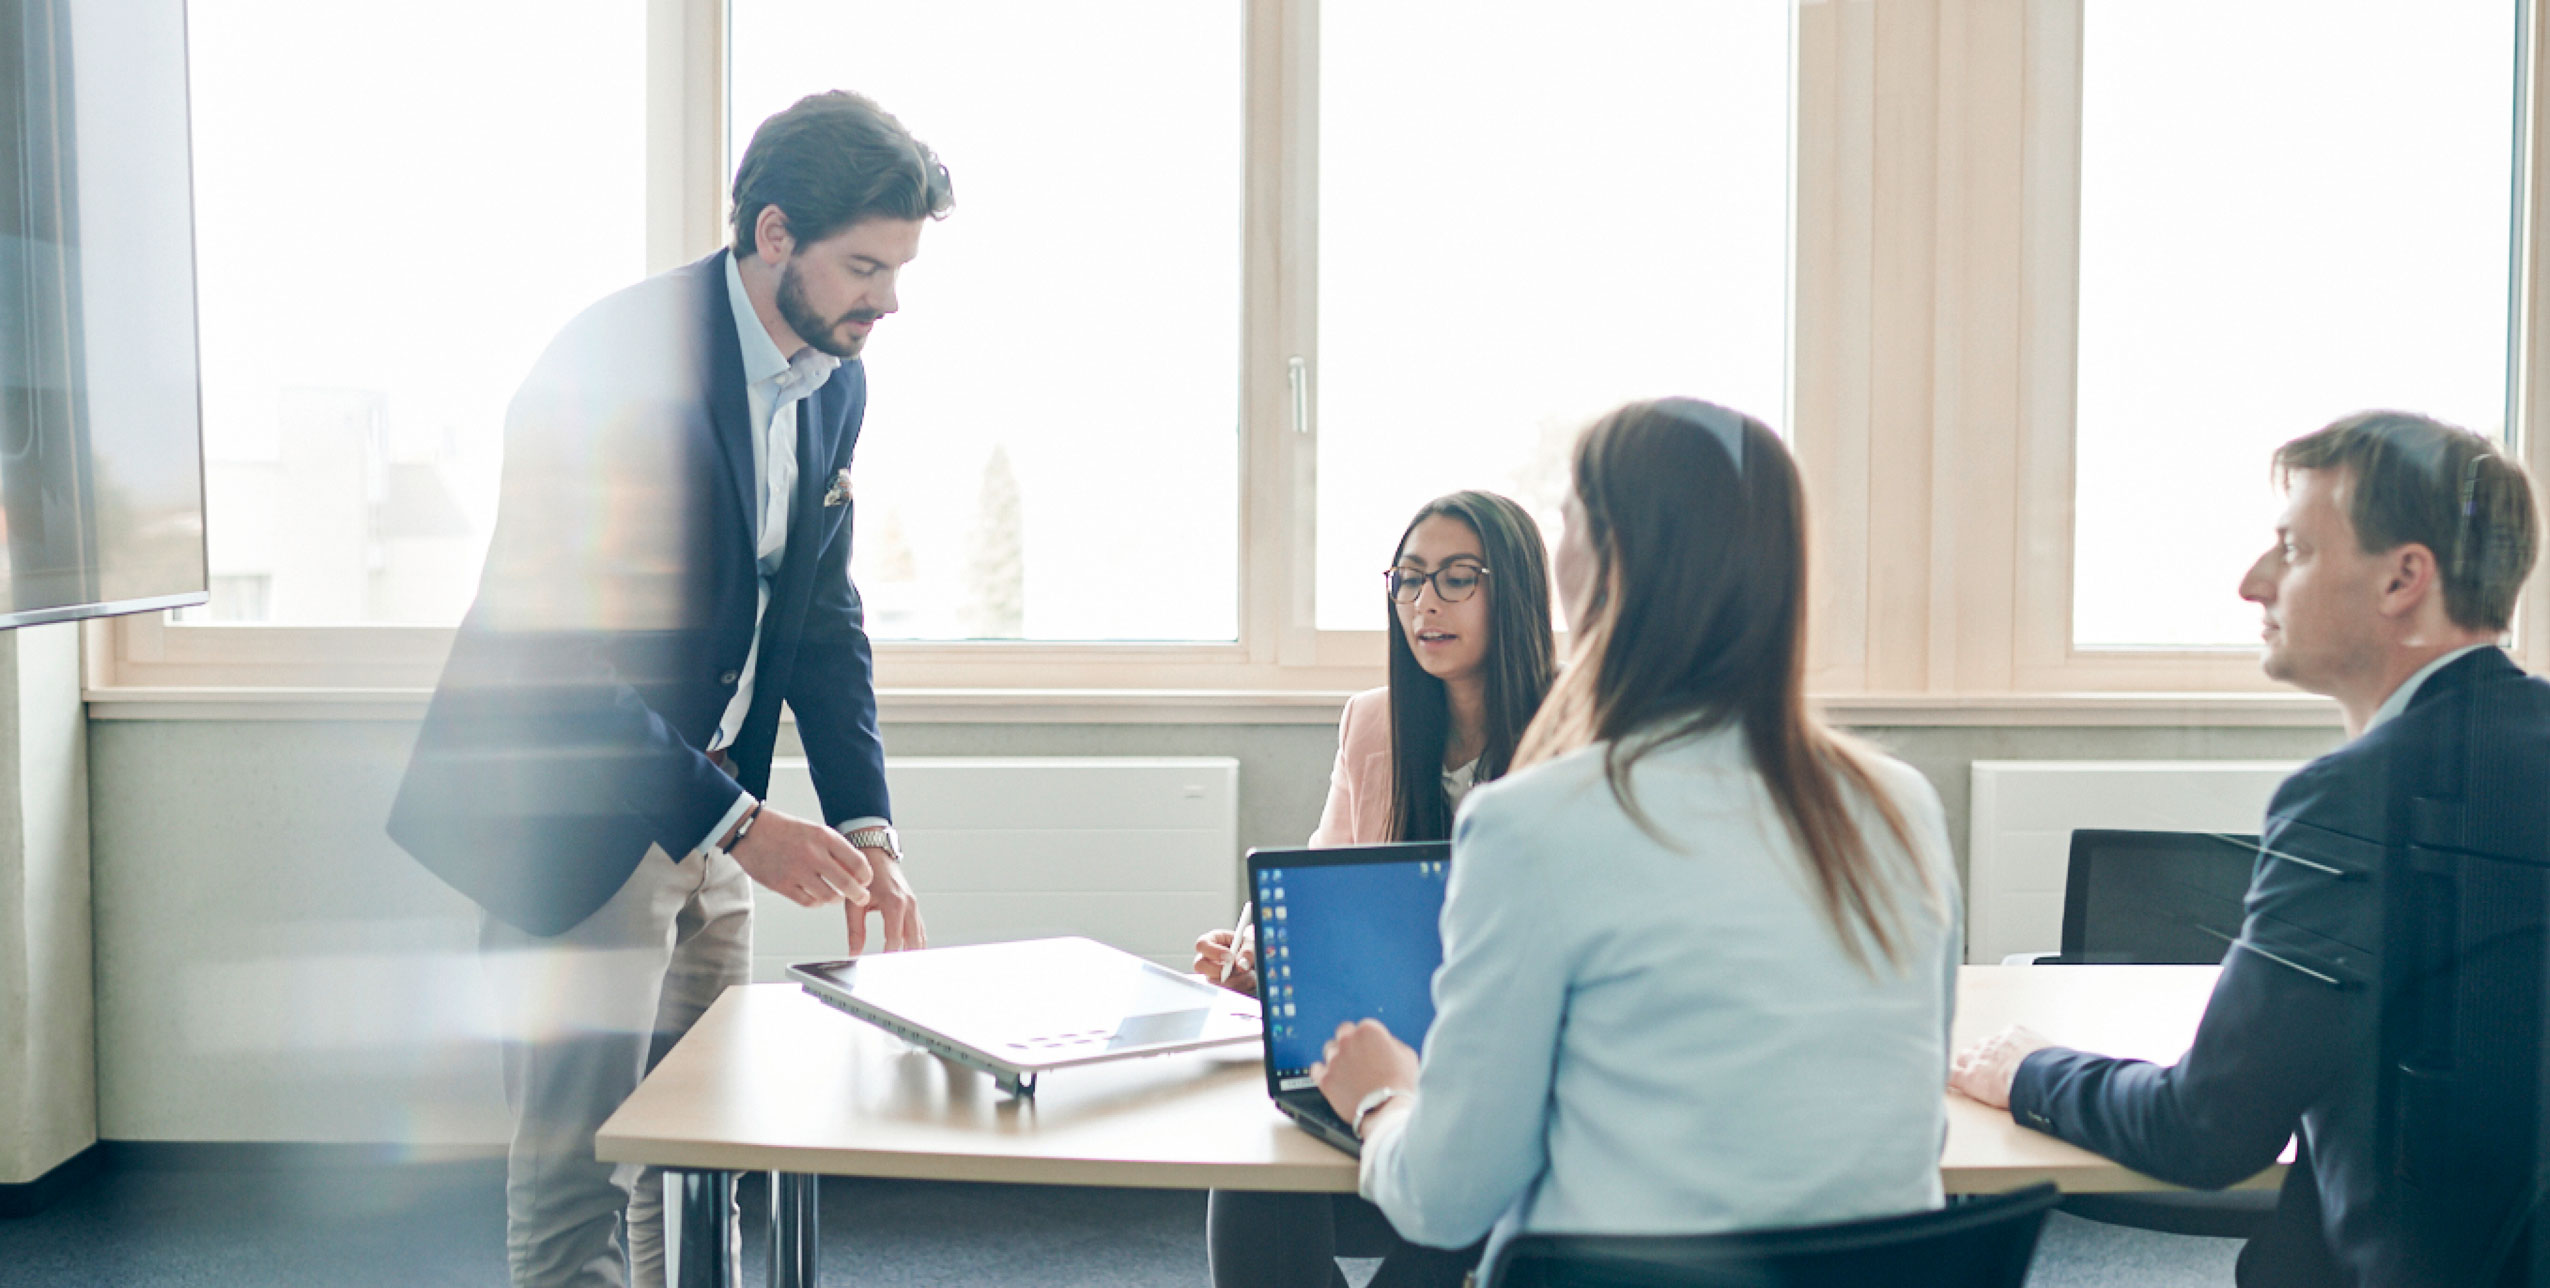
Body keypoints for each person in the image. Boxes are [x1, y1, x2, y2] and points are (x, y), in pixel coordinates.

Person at [386, 91, 951, 1288]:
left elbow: (823, 617)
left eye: (900, 269)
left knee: (698, 1162)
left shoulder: (834, 379)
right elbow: (549, 660)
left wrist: (865, 825)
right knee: (577, 1177)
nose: (889, 300)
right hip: (576, 819)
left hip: (710, 816)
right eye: (867, 265)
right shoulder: (610, 368)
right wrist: (744, 824)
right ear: (776, 235)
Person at [1311, 397, 1961, 1265]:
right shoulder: (1899, 805)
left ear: (1596, 564)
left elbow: (1445, 1199)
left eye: (1569, 515)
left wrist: (1382, 1097)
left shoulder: (1535, 824)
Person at [1950, 410, 2547, 1287]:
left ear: (2402, 579)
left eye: (2293, 548)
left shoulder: (2357, 798)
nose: (2251, 582)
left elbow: (2205, 1131)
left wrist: (2028, 1070)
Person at [1191, 490, 1556, 1288]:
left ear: (1517, 591)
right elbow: (1329, 873)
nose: (1426, 603)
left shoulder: (1577, 735)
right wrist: (1266, 959)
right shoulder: (1372, 723)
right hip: (1386, 1058)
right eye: (1410, 579)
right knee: (1251, 1175)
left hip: (1514, 1090)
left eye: (1459, 578)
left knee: (1457, 1208)